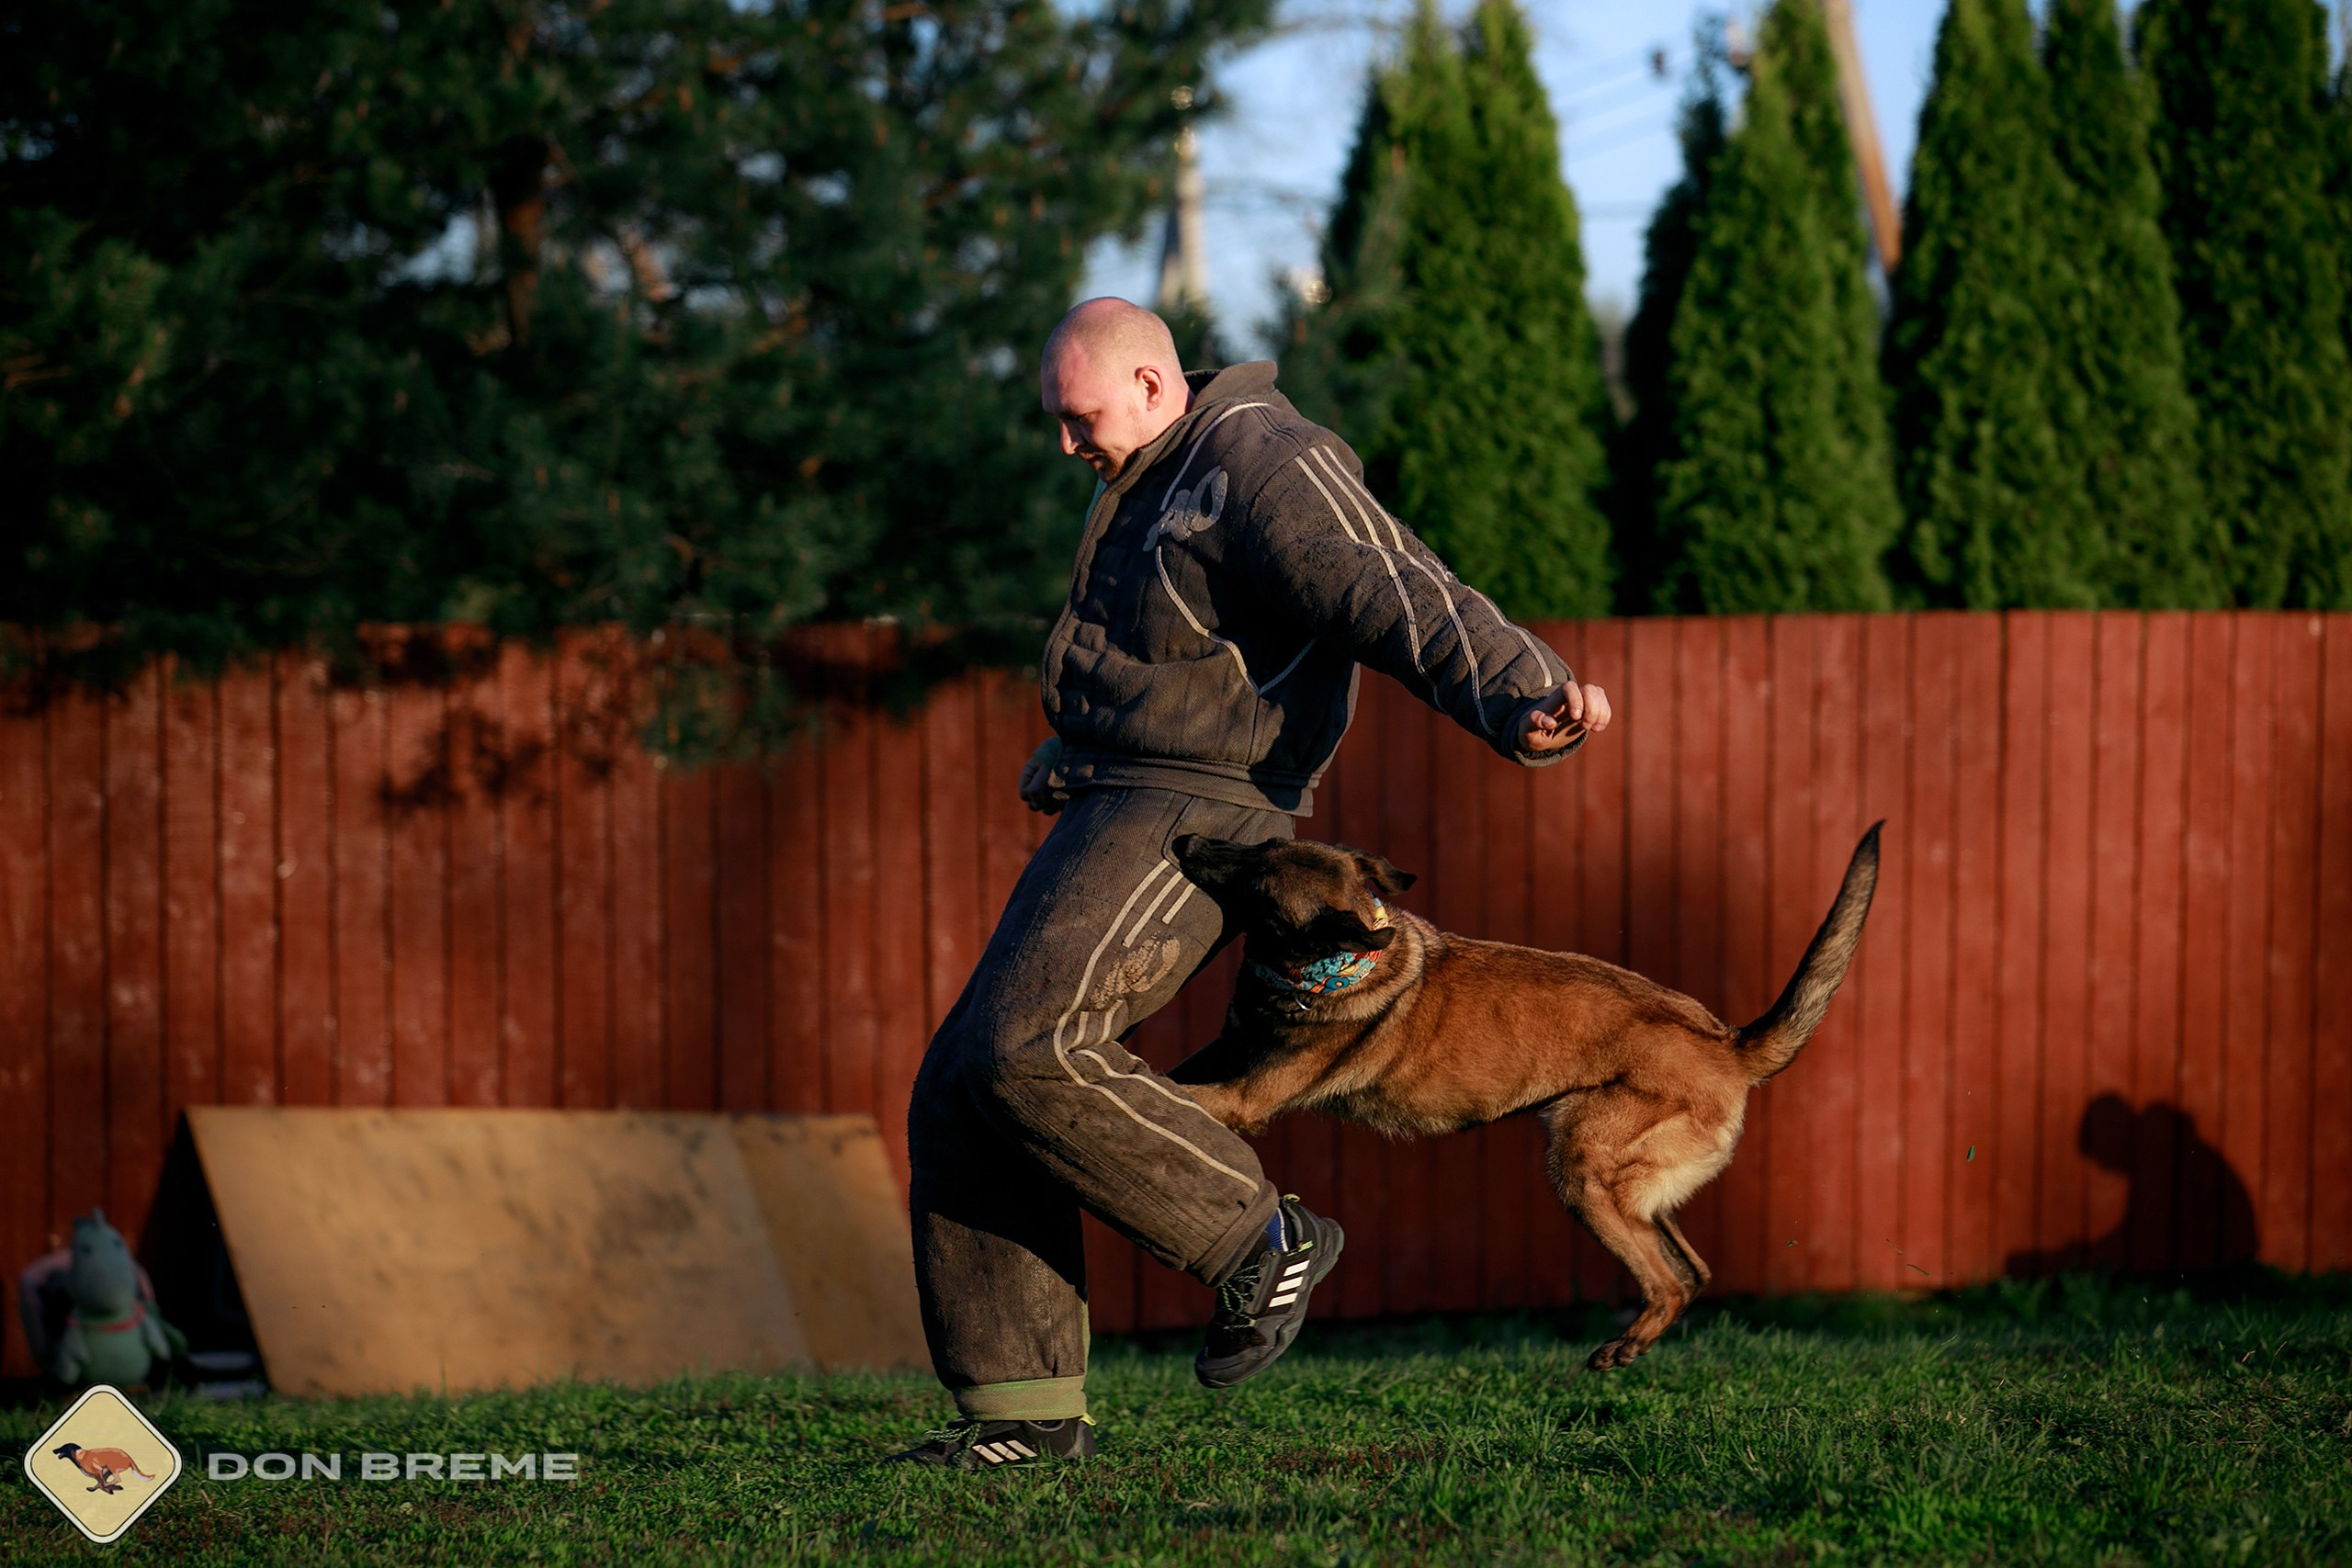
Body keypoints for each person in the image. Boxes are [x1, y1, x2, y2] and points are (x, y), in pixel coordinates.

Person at [885, 299, 1612, 1468]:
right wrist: (1072, 750)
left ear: (1153, 384)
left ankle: (1255, 1236)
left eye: (1078, 421)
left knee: (1029, 1047)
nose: (1065, 447)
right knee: (962, 1085)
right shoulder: (1160, 475)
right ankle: (1018, 1417)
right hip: (1118, 795)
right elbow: (1163, 664)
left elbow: (1389, 582)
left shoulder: (1260, 459)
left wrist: (1518, 685)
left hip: (1202, 808)